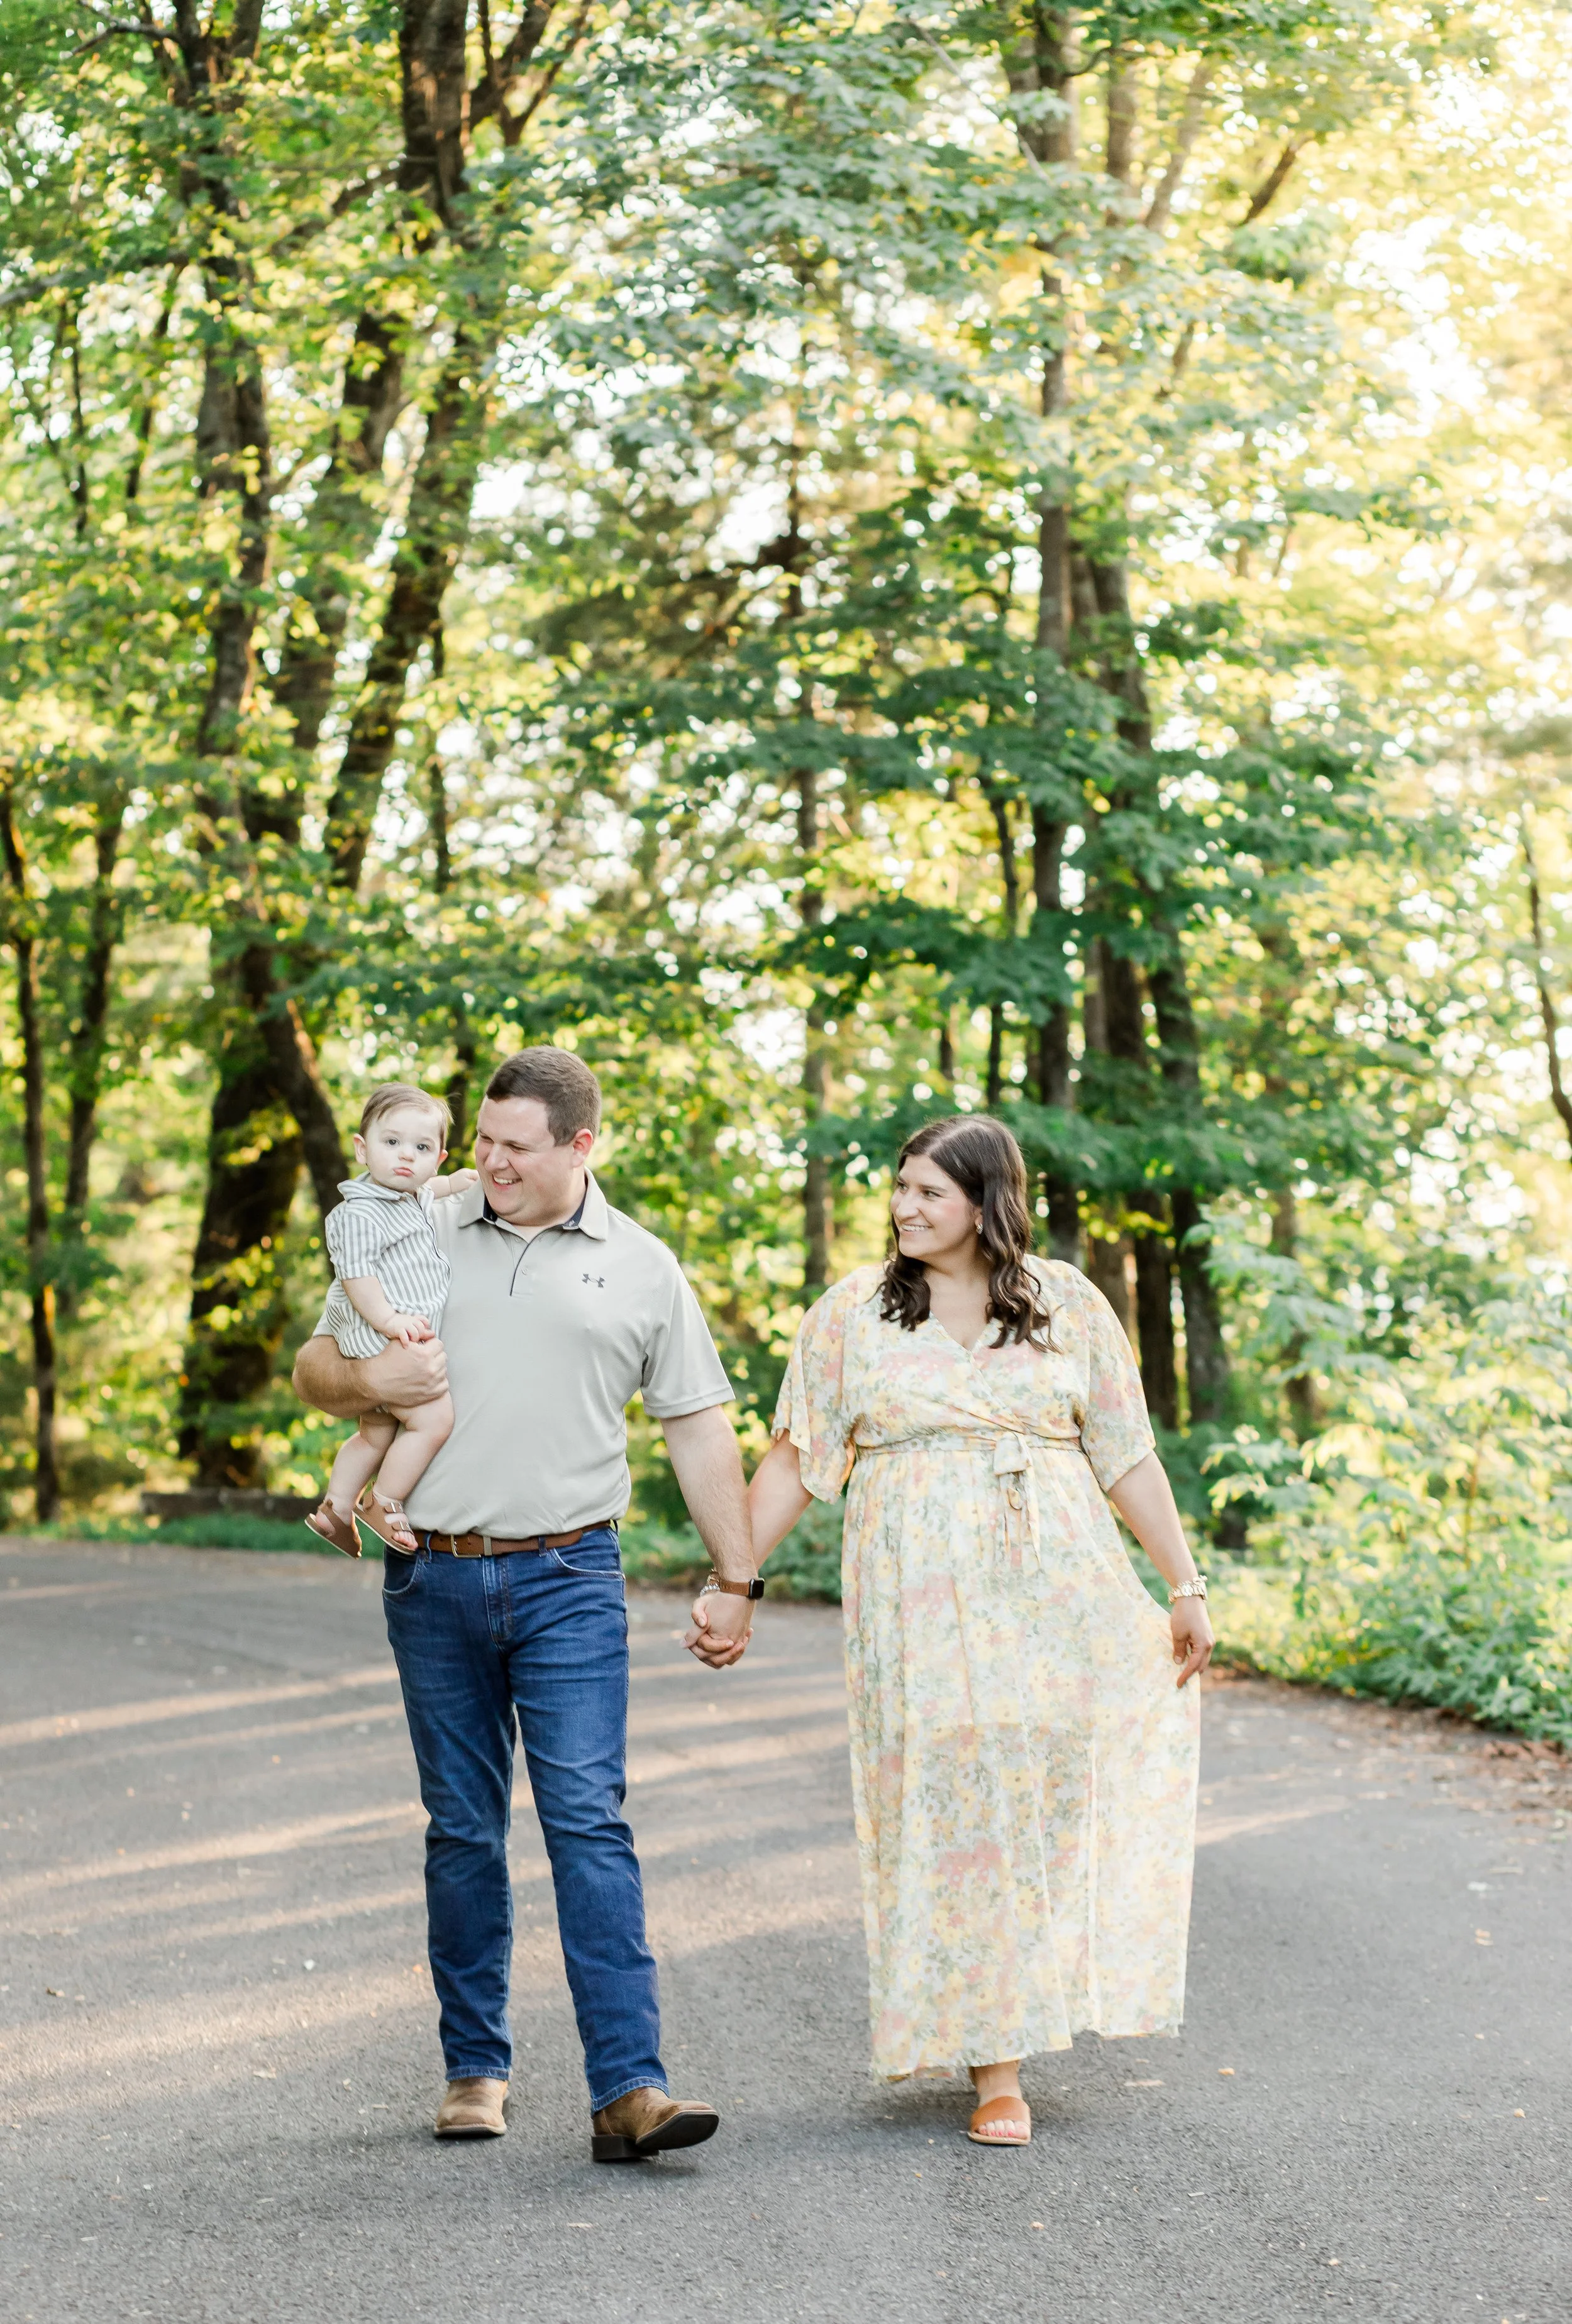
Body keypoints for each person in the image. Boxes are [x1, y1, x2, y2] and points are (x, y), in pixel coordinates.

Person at [691, 1114, 1211, 2148]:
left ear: (988, 1200)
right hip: (916, 1599)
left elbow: (1127, 1455)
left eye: (929, 1191)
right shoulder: (854, 1315)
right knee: (956, 1802)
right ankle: (997, 2067)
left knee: (1051, 1792)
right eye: (900, 1188)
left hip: (1057, 1592)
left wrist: (1185, 1582)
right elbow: (798, 1460)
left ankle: (1022, 1994)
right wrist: (733, 1579)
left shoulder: (1068, 1306)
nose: (904, 1207)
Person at [292, 1047, 760, 2158]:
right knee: (463, 1828)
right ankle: (475, 2067)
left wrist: (736, 1577)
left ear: (580, 1146)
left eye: (513, 1146)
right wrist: (370, 1383)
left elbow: (697, 1424)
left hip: (572, 1578)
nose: (485, 1161)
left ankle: (630, 2091)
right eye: (481, 1139)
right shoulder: (413, 1220)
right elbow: (316, 1368)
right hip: (434, 1570)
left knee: (588, 1820)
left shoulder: (643, 1266)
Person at [305, 1084, 473, 1558]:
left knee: (374, 1432)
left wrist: (456, 1183)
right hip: (379, 1332)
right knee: (433, 1419)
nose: (405, 1157)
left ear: (436, 1158)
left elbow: (429, 1191)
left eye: (420, 1149)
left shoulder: (409, 1194)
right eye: (391, 1142)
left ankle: (336, 1506)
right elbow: (356, 1277)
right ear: (363, 1148)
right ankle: (385, 1500)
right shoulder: (359, 1212)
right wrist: (390, 1320)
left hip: (386, 1330)